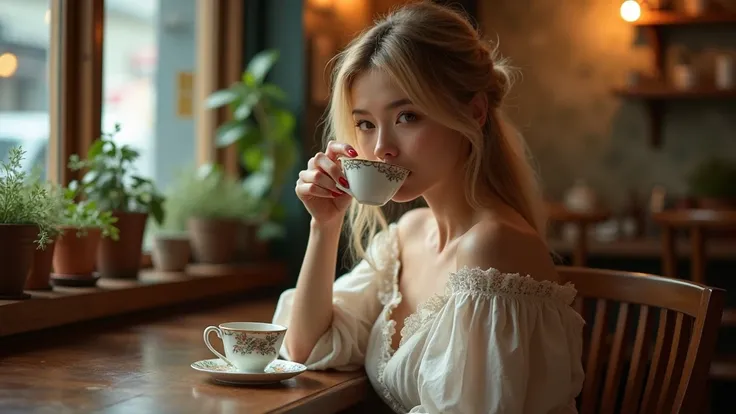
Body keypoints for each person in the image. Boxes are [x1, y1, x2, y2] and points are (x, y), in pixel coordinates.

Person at [272, 2, 584, 412]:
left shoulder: (491, 248)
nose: (381, 147)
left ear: (472, 112)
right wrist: (325, 225)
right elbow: (303, 347)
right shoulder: (407, 237)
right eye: (366, 123)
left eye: (407, 116)